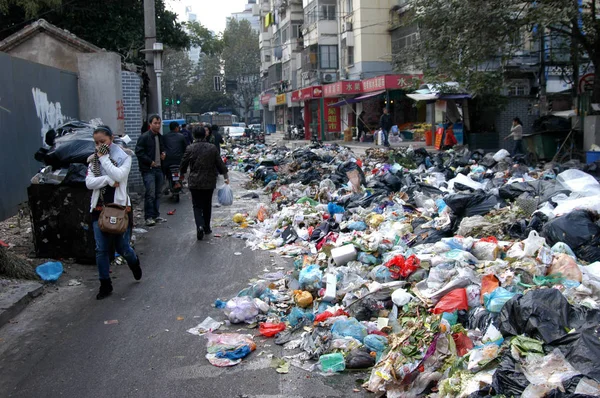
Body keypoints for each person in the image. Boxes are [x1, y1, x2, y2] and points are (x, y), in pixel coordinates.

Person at [86, 126, 142, 300]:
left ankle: (134, 262)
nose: (99, 146)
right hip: (99, 209)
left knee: (122, 247)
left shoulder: (124, 157)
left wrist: (104, 160)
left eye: (102, 142)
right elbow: (89, 182)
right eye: (96, 143)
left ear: (110, 139)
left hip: (119, 209)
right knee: (101, 249)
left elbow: (119, 175)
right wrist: (108, 180)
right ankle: (105, 284)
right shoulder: (92, 160)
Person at [180, 125, 229, 240]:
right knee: (207, 204)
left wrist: (182, 175)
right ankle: (206, 227)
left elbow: (183, 164)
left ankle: (199, 226)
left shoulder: (190, 148)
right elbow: (220, 164)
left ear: (193, 135)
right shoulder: (212, 148)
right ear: (205, 134)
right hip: (209, 181)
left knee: (197, 205)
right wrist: (226, 176)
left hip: (194, 182)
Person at [135, 115, 166, 227]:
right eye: (155, 123)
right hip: (149, 170)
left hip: (159, 168)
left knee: (158, 193)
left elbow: (163, 148)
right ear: (150, 124)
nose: (157, 125)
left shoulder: (160, 137)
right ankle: (148, 217)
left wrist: (163, 154)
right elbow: (139, 152)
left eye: (159, 123)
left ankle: (156, 215)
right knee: (150, 194)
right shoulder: (144, 137)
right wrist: (149, 162)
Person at [162, 121, 188, 194]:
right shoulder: (181, 136)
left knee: (166, 172)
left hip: (167, 161)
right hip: (178, 160)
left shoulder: (164, 137)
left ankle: (167, 184)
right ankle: (178, 181)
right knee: (181, 170)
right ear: (176, 128)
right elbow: (185, 148)